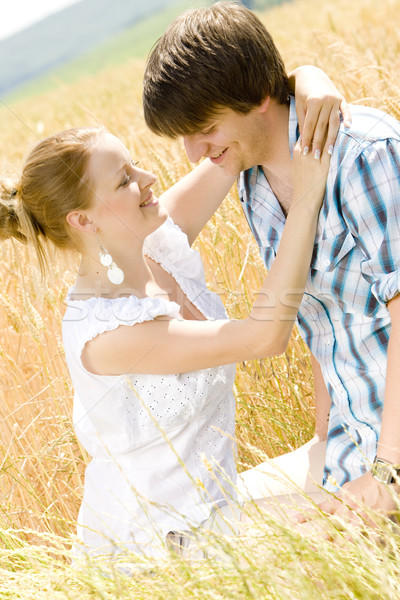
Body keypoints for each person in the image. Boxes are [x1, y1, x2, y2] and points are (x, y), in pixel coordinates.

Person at [0, 107, 331, 559]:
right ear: (84, 220)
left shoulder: (150, 239)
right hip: (160, 553)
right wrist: (308, 198)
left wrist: (313, 84)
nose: (149, 176)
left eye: (133, 163)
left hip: (213, 511)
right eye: (124, 179)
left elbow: (237, 142)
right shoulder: (107, 335)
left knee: (353, 469)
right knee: (351, 511)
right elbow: (264, 337)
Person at [142, 1, 400, 524]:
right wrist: (326, 436)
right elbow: (324, 316)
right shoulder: (253, 181)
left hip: (390, 455)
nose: (194, 153)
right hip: (350, 442)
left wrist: (389, 476)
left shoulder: (366, 154)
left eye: (205, 128)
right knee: (193, 525)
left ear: (261, 98)